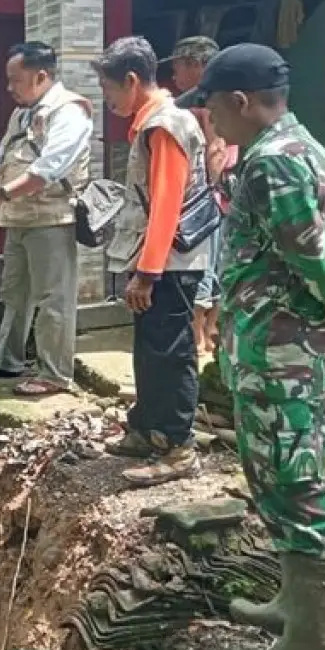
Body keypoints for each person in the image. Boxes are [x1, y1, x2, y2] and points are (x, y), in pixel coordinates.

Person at [197, 44, 325, 650]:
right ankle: (297, 607)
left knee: (295, 485)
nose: (211, 121)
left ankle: (318, 649)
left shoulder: (272, 163)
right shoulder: (307, 150)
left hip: (282, 354)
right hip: (288, 349)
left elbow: (316, 257)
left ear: (240, 102)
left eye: (213, 108)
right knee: (280, 475)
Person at [95, 36, 214, 487]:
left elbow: (166, 204)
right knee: (149, 347)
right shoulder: (153, 123)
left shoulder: (164, 125)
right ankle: (147, 427)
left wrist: (147, 273)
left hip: (172, 262)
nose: (108, 101)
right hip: (162, 258)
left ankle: (177, 445)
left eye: (109, 91)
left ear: (131, 81)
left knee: (170, 350)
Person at [0, 42, 94, 396]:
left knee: (53, 297)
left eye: (15, 80)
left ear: (40, 76)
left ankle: (54, 374)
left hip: (51, 218)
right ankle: (7, 358)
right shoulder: (21, 113)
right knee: (14, 292)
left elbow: (49, 168)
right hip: (18, 218)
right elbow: (1, 156)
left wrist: (0, 195)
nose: (10, 88)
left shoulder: (69, 112)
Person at [168, 36, 239, 354]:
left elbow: (217, 147)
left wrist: (208, 192)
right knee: (222, 258)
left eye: (178, 67)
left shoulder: (207, 99)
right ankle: (211, 331)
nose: (174, 77)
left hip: (213, 190)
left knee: (205, 261)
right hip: (229, 188)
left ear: (196, 65)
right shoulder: (226, 94)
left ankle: (198, 333)